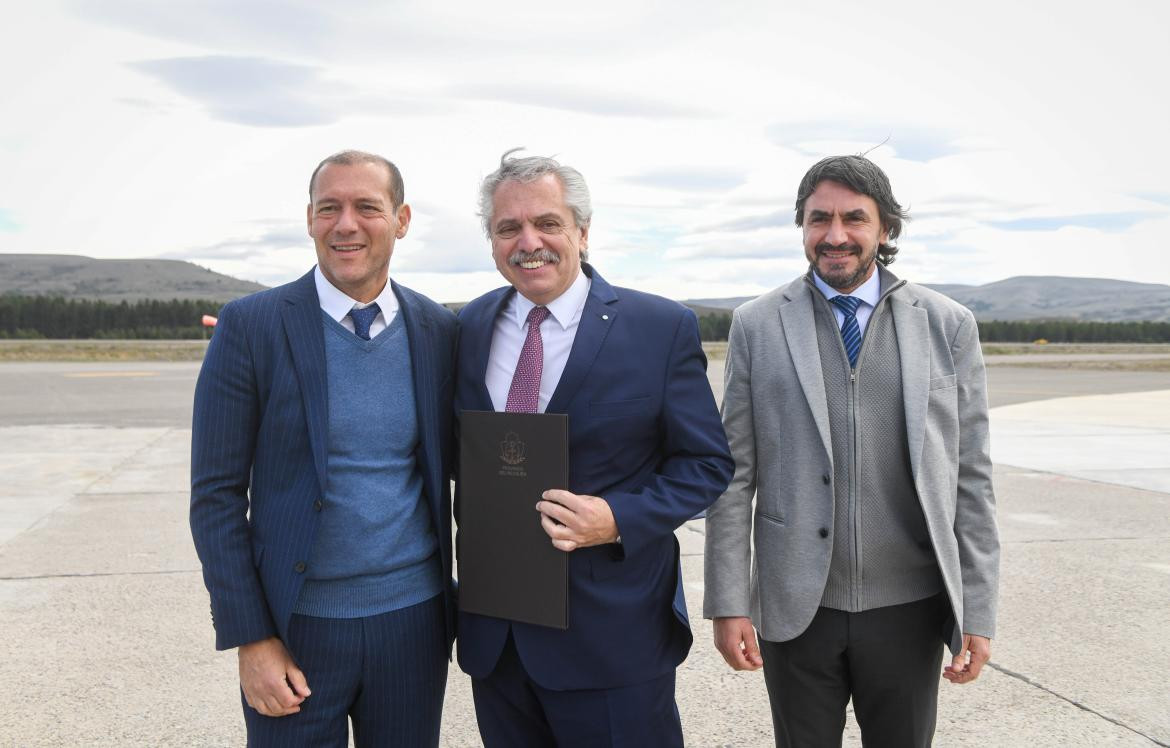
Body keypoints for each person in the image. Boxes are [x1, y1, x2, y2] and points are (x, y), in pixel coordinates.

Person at [704, 155, 1000, 747]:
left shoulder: (948, 325)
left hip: (911, 608)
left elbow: (971, 476)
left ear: (884, 229)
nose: (835, 235)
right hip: (796, 609)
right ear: (803, 226)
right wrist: (728, 600)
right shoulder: (757, 325)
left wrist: (978, 608)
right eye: (819, 219)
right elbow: (734, 475)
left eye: (854, 219)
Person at [455, 150, 733, 747]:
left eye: (547, 223)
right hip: (498, 640)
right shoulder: (469, 328)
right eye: (509, 228)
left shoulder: (659, 328)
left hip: (612, 641)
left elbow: (707, 464)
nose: (529, 241)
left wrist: (617, 519)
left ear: (581, 230)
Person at [190, 150, 457, 747]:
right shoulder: (251, 326)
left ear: (402, 219)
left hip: (412, 623)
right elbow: (216, 496)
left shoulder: (437, 329)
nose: (346, 224)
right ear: (309, 218)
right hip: (297, 626)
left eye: (367, 207)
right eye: (329, 208)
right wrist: (251, 638)